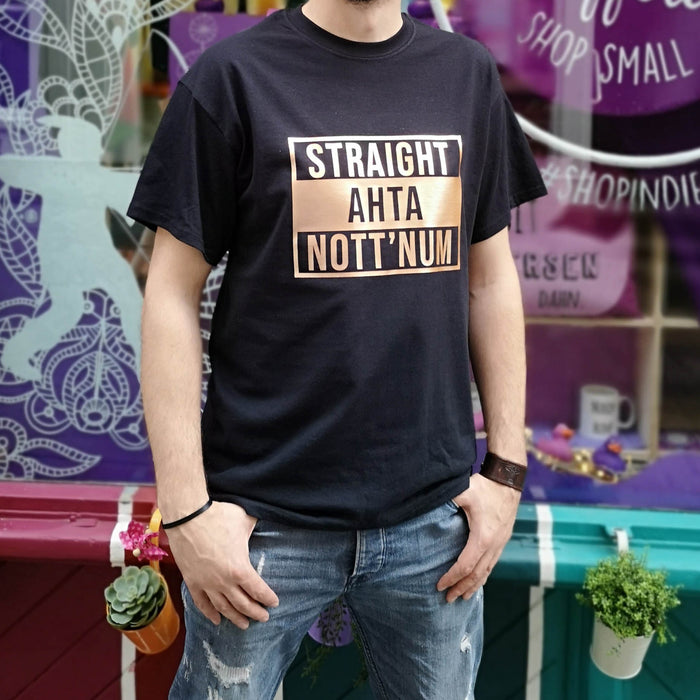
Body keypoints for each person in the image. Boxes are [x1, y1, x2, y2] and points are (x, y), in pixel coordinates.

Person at [127, 0, 547, 697]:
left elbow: (491, 279)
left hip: (432, 524)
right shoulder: (234, 78)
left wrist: (505, 474)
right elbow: (170, 293)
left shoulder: (465, 75)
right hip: (260, 524)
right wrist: (187, 514)